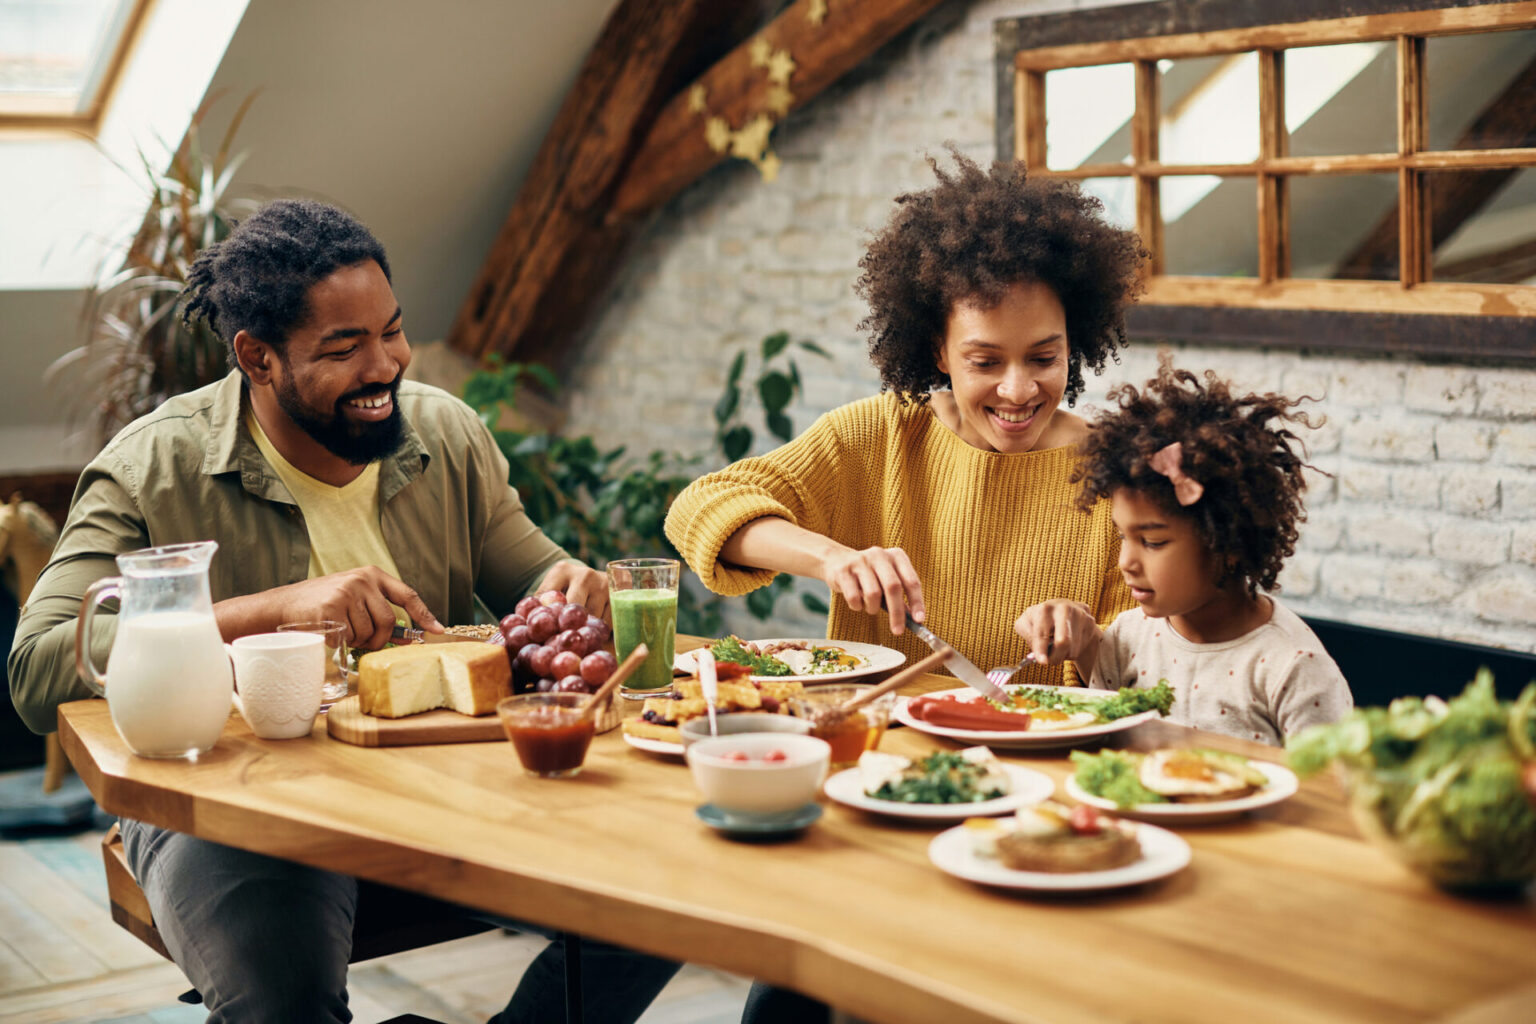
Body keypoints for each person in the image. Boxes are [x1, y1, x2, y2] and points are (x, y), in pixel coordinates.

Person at [7, 199, 677, 1022]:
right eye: (344, 347)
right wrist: (273, 610)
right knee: (280, 1004)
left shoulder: (446, 434)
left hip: (448, 779)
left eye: (392, 331)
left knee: (681, 887)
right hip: (237, 803)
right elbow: (38, 670)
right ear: (256, 357)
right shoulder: (152, 468)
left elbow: (532, 570)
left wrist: (570, 583)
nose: (386, 365)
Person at [665, 150, 1146, 686]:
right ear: (938, 351)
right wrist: (830, 559)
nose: (1017, 390)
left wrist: (1086, 639)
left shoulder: (1117, 473)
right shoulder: (883, 435)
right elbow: (698, 510)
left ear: (1072, 345)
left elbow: (1144, 674)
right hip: (877, 748)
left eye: (1044, 358)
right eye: (984, 362)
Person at [1015, 356, 1352, 745]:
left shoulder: (1292, 668)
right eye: (1123, 536)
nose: (1126, 562)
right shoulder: (1125, 639)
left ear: (1226, 544)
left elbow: (1334, 796)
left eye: (1153, 542)